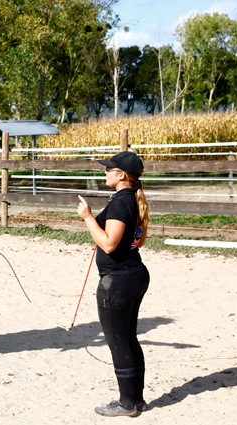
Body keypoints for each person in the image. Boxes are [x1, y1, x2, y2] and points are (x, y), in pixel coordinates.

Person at [76, 151, 150, 417]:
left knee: (118, 342)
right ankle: (135, 400)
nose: (105, 172)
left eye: (109, 169)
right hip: (134, 275)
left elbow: (108, 243)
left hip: (118, 281)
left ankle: (127, 404)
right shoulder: (132, 200)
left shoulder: (121, 203)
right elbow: (136, 240)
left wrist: (87, 217)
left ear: (121, 175)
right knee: (128, 339)